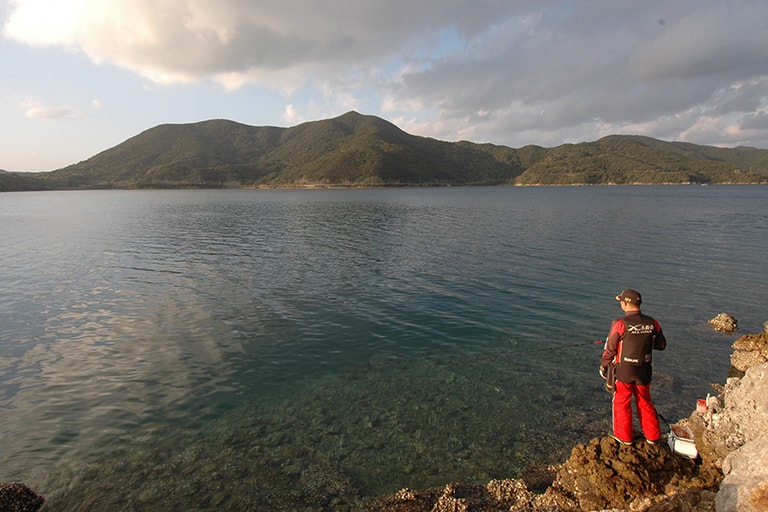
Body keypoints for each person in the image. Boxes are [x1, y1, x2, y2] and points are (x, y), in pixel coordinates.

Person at [600, 289, 667, 445]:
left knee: (621, 402)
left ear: (625, 303)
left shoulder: (620, 324)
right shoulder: (653, 322)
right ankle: (653, 436)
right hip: (644, 370)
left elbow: (610, 350)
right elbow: (661, 345)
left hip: (624, 371)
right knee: (645, 401)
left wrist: (603, 366)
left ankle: (624, 437)